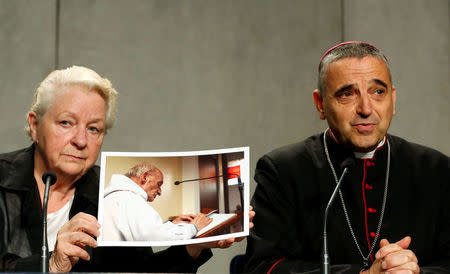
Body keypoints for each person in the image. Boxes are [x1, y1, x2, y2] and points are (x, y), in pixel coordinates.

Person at [0, 66, 254, 272]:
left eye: (94, 129)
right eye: (66, 122)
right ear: (34, 126)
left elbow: (141, 270)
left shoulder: (107, 193)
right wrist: (50, 265)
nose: (80, 140)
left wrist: (193, 246)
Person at [245, 42, 449, 273]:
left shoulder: (436, 170)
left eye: (378, 92)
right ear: (320, 104)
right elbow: (261, 267)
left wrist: (414, 272)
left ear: (393, 99)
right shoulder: (282, 171)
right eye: (347, 94)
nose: (365, 108)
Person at [102, 163, 212, 241]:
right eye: (159, 184)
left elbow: (145, 230)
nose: (160, 192)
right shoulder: (130, 199)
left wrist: (172, 224)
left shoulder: (118, 196)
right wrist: (194, 227)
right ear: (145, 178)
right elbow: (156, 237)